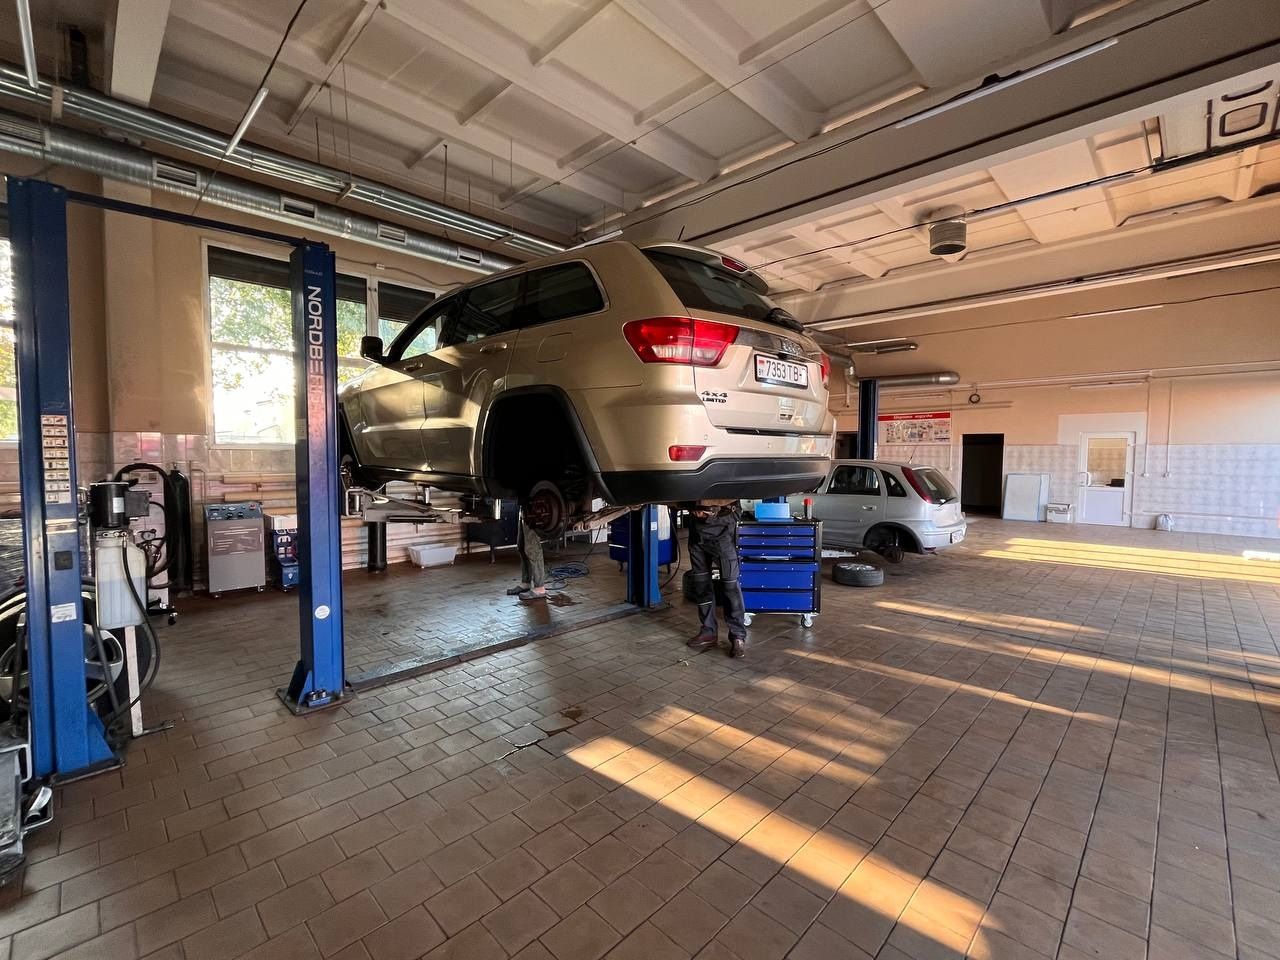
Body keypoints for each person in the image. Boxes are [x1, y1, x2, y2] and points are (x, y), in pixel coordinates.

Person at [685, 500, 747, 658]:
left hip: (722, 541)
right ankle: (709, 631)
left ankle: (738, 636)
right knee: (701, 585)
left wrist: (710, 516)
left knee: (730, 588)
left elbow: (736, 514)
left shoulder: (728, 490)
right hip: (697, 540)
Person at [507, 516, 547, 602]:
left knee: (533, 548)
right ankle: (526, 582)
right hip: (524, 511)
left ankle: (539, 587)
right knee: (521, 545)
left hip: (533, 513)